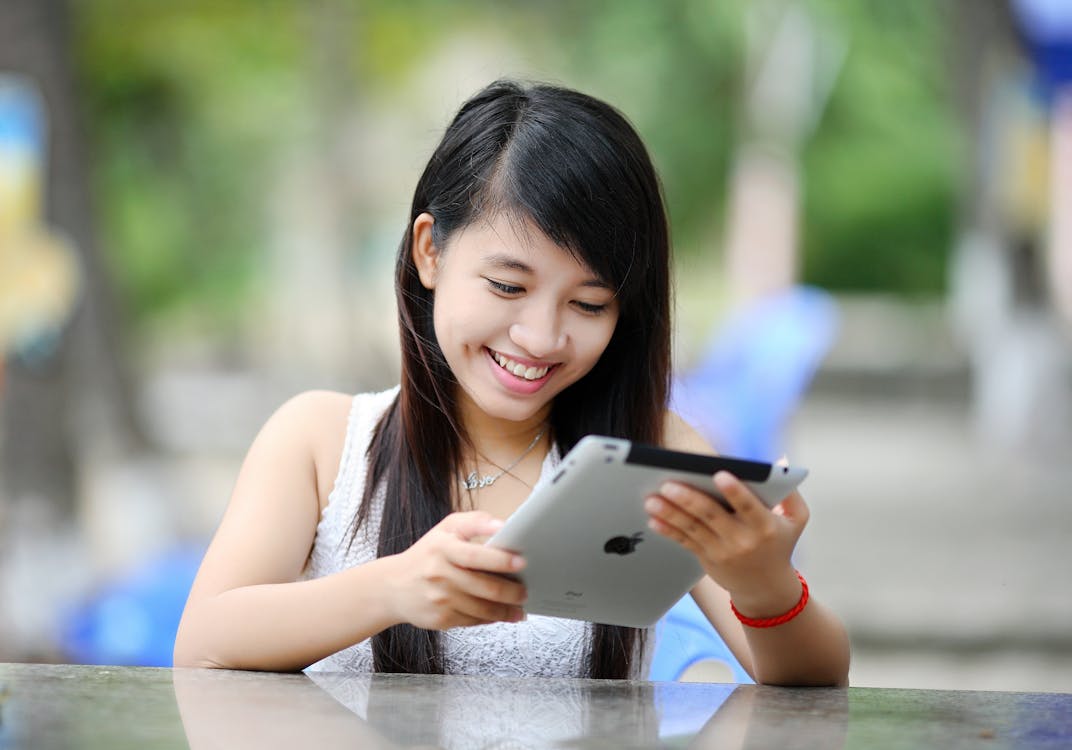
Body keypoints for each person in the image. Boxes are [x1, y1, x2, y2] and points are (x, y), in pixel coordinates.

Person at [173, 79, 850, 685]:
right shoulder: (321, 441)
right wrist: (392, 589)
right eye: (507, 286)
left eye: (589, 304)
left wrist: (765, 588)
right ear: (429, 250)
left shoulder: (652, 454)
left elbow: (813, 681)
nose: (540, 336)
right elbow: (202, 644)